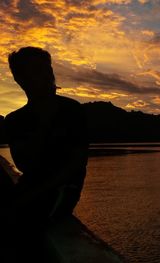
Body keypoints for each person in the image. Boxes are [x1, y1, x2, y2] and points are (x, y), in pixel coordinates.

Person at [0, 46, 89, 262]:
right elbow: (24, 164)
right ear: (20, 79)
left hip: (61, 192)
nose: (48, 75)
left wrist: (25, 199)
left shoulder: (72, 110)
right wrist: (41, 121)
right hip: (31, 188)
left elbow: (75, 165)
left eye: (48, 69)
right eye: (37, 70)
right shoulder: (15, 120)